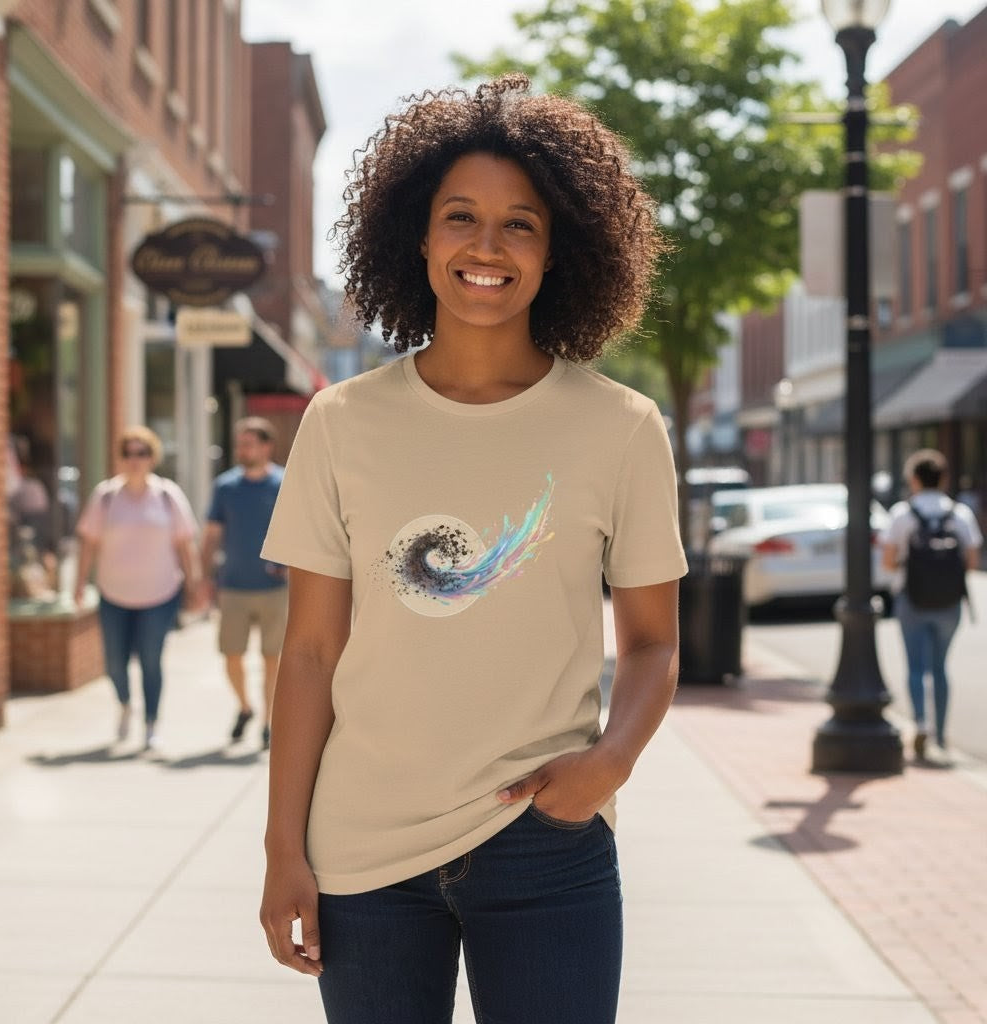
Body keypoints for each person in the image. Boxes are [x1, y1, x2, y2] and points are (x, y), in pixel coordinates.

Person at [258, 74, 687, 1024]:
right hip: (364, 850)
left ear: (556, 249)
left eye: (519, 224)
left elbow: (654, 642)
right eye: (461, 217)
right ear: (418, 235)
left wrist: (608, 764)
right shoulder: (340, 422)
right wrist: (284, 847)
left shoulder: (620, 427)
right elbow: (312, 652)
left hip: (546, 843)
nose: (486, 247)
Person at [74, 427, 201, 750]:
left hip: (160, 594)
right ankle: (125, 704)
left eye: (141, 453)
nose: (135, 460)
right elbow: (88, 544)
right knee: (114, 663)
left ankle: (151, 723)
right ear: (120, 457)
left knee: (150, 659)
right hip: (112, 593)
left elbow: (185, 545)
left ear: (152, 457)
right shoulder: (105, 496)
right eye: (128, 453)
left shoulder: (167, 495)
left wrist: (194, 584)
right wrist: (78, 584)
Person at [882, 448, 981, 761]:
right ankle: (940, 734)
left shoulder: (902, 514)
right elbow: (971, 560)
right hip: (949, 602)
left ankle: (920, 722)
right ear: (943, 478)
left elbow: (888, 561)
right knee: (940, 667)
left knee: (916, 667)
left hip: (911, 599)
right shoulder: (959, 514)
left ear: (914, 480)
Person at [200, 417, 287, 748]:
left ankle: (268, 722)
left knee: (272, 658)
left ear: (267, 446)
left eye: (250, 444)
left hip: (275, 589)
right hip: (233, 586)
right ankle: (245, 707)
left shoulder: (285, 483)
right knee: (231, 656)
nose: (243, 450)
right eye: (240, 444)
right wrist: (204, 578)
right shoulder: (225, 486)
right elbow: (211, 535)